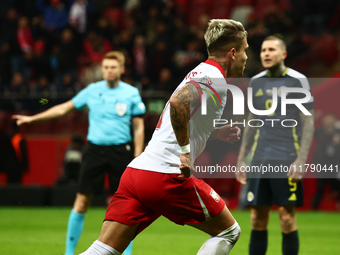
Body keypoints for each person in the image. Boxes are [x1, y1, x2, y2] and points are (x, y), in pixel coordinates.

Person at [80, 19, 248, 255]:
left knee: (104, 249)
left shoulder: (200, 71)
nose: (246, 57)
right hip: (166, 175)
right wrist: (186, 152)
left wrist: (216, 132)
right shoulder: (214, 78)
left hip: (137, 174)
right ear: (232, 53)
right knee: (228, 232)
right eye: (244, 50)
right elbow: (179, 104)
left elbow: (184, 115)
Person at [12, 51, 145, 255]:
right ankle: (69, 252)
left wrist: (137, 155)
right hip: (94, 150)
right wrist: (32, 119)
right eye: (106, 67)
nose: (109, 71)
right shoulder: (92, 90)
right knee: (82, 201)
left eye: (113, 67)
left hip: (121, 151)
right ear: (102, 69)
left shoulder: (131, 93)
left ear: (122, 69)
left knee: (126, 206)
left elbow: (138, 127)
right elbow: (63, 109)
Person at [236, 35, 315, 255]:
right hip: (259, 157)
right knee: (256, 218)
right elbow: (251, 123)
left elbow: (308, 122)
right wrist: (242, 159)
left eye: (271, 50)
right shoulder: (256, 81)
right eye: (263, 50)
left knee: (287, 218)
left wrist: (301, 160)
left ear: (283, 54)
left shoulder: (297, 80)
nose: (266, 54)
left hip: (287, 156)